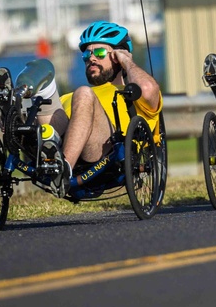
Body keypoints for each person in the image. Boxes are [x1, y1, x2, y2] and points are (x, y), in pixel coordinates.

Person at [38, 21, 163, 196]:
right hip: (64, 144)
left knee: (84, 94)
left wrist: (127, 62)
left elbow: (150, 90)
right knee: (41, 97)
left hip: (108, 155)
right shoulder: (70, 98)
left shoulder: (134, 92)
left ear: (118, 56)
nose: (91, 58)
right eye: (87, 55)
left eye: (100, 52)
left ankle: (62, 169)